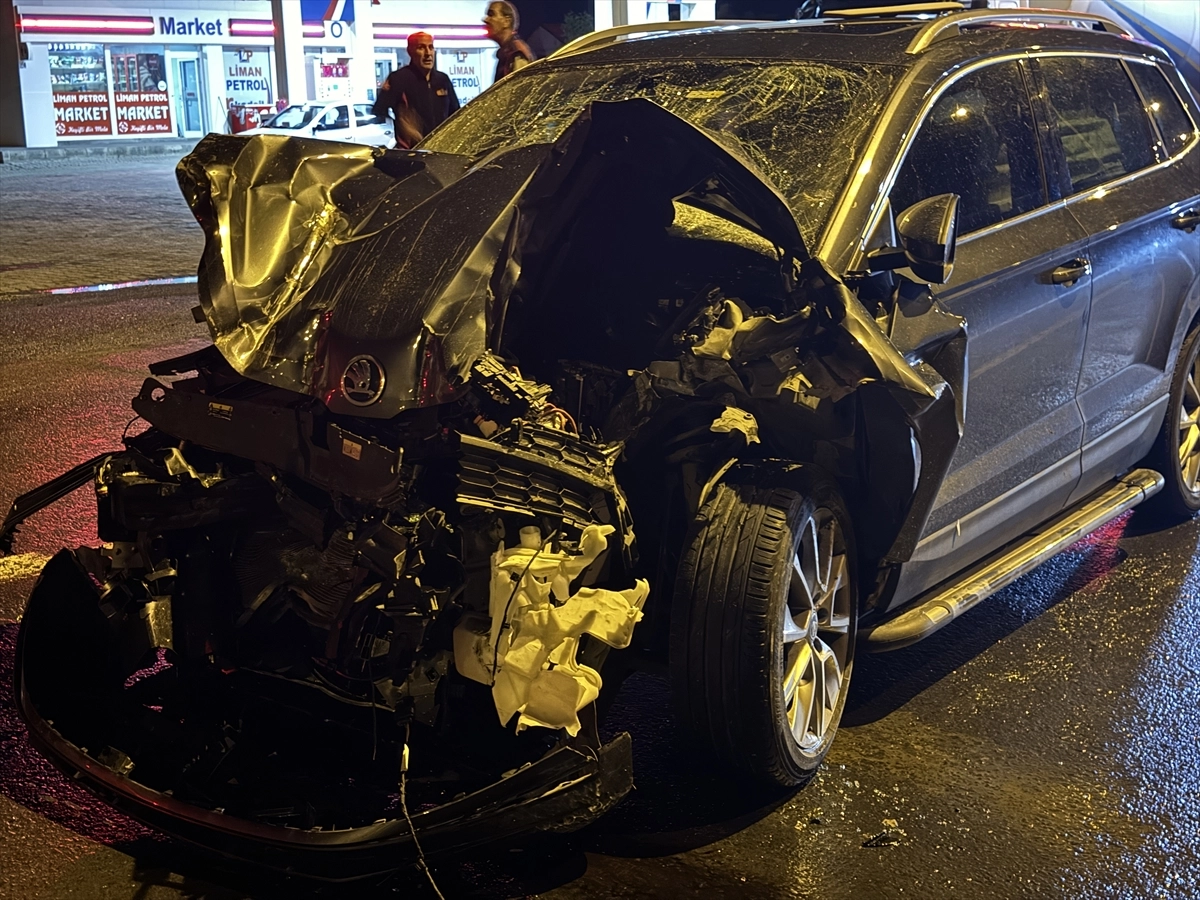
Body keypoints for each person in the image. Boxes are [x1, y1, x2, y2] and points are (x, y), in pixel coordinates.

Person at [373, 32, 460, 149]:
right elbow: (379, 110)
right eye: (421, 48)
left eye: (431, 47)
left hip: (441, 150)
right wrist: (402, 124)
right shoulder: (398, 78)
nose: (428, 53)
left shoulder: (442, 79)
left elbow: (456, 114)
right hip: (412, 152)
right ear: (410, 51)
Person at [483, 1, 534, 81]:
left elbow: (521, 86)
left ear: (506, 22)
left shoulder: (516, 54)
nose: (485, 20)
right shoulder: (508, 53)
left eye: (491, 14)